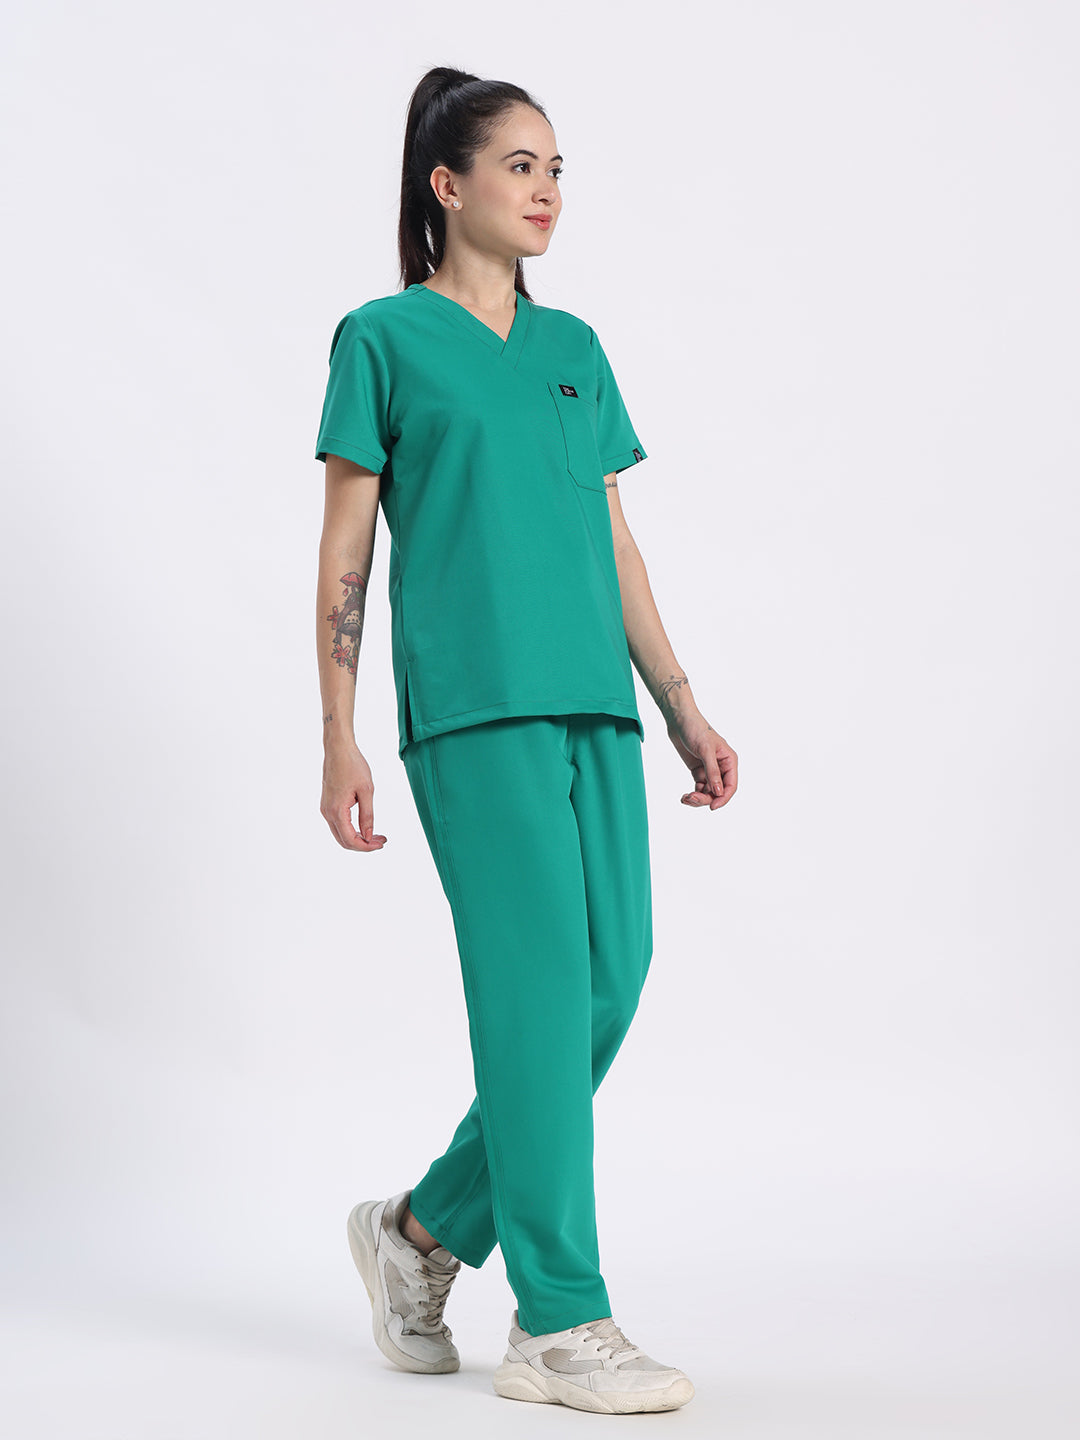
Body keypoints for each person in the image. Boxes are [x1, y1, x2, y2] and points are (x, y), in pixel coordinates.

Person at [314, 66, 737, 1416]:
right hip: (473, 710)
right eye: (520, 165)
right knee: (538, 999)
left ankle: (422, 1231)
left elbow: (611, 539)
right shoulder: (382, 339)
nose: (547, 190)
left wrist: (680, 703)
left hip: (594, 704)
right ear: (447, 186)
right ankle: (559, 1319)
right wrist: (338, 734)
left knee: (611, 982)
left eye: (557, 169)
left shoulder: (574, 350)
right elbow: (345, 550)